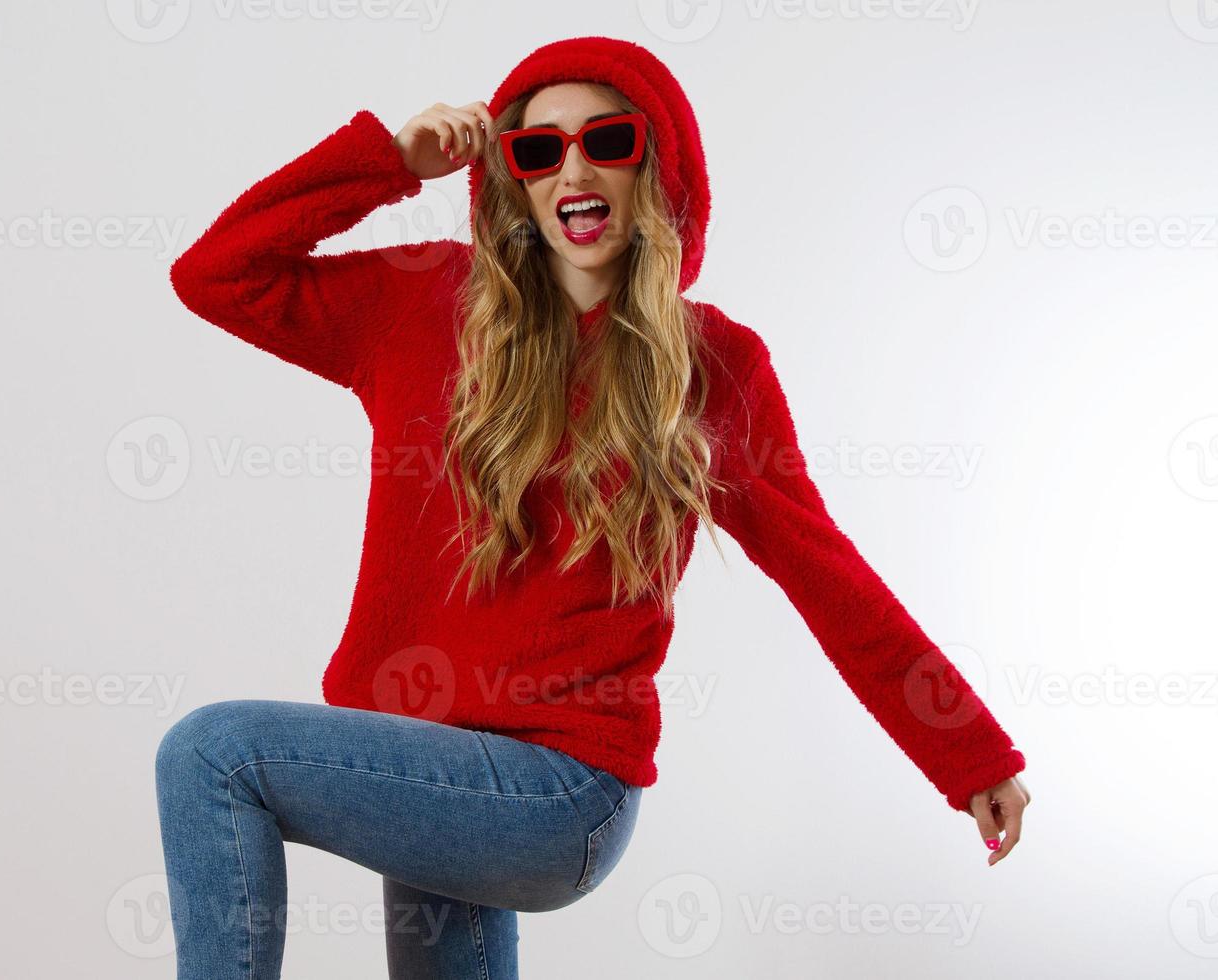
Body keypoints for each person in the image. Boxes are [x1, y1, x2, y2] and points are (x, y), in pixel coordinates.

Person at [155, 35, 1031, 980]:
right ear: (513, 183)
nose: (571, 168)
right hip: (426, 752)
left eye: (605, 140)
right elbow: (217, 275)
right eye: (538, 151)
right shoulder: (424, 303)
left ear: (656, 162)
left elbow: (827, 575)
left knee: (214, 756)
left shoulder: (713, 366)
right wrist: (387, 164)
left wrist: (970, 755)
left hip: (560, 793)